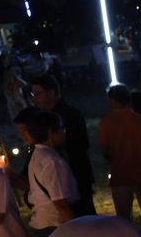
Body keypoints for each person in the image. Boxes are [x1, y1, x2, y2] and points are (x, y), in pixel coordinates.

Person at [99, 84, 141, 237]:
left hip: (121, 175)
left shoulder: (106, 122)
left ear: (113, 100)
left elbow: (105, 149)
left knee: (124, 219)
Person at [8, 109, 80, 237]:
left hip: (43, 223)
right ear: (50, 132)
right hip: (54, 225)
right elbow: (60, 202)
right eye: (61, 128)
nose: (64, 131)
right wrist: (75, 232)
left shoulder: (37, 154)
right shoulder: (52, 161)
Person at [29, 74, 96, 216]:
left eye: (38, 93)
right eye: (33, 94)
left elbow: (80, 146)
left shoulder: (71, 115)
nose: (34, 98)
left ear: (51, 93)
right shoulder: (40, 116)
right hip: (54, 184)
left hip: (76, 178)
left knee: (84, 220)